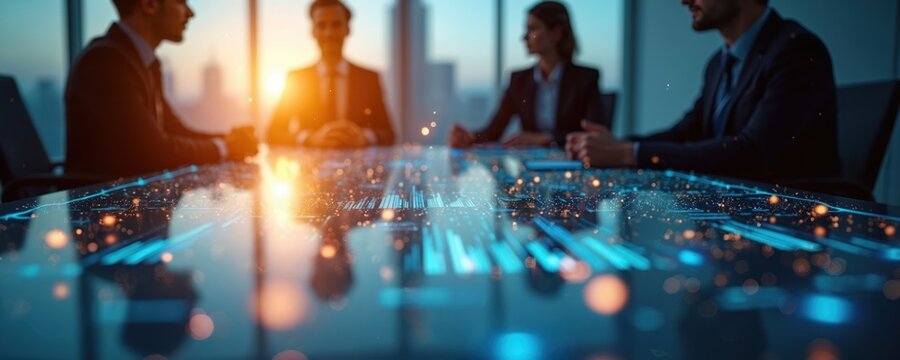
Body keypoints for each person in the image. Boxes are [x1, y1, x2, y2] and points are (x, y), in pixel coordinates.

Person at [567, 0, 840, 183]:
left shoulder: (797, 51)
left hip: (786, 225)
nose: (684, 1)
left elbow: (752, 152)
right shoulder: (718, 63)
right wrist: (617, 144)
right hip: (737, 209)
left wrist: (629, 153)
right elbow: (687, 131)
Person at [66, 0, 259, 180]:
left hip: (134, 201)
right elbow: (153, 151)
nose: (191, 13)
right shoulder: (106, 62)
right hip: (105, 208)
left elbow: (174, 129)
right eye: (181, 2)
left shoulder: (139, 61)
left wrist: (228, 139)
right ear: (149, 4)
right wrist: (225, 147)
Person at [449, 1, 606, 149]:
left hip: (573, 166)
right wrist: (470, 137)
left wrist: (547, 138)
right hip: (531, 168)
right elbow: (494, 131)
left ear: (556, 33)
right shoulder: (519, 80)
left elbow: (595, 135)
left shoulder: (586, 78)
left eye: (533, 29)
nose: (524, 37)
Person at [267, 0, 394, 148]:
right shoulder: (296, 79)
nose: (329, 33)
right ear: (313, 31)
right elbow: (273, 133)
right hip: (309, 170)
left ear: (348, 29)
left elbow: (389, 133)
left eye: (336, 24)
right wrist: (309, 138)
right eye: (321, 25)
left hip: (357, 168)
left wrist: (364, 137)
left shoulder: (369, 79)